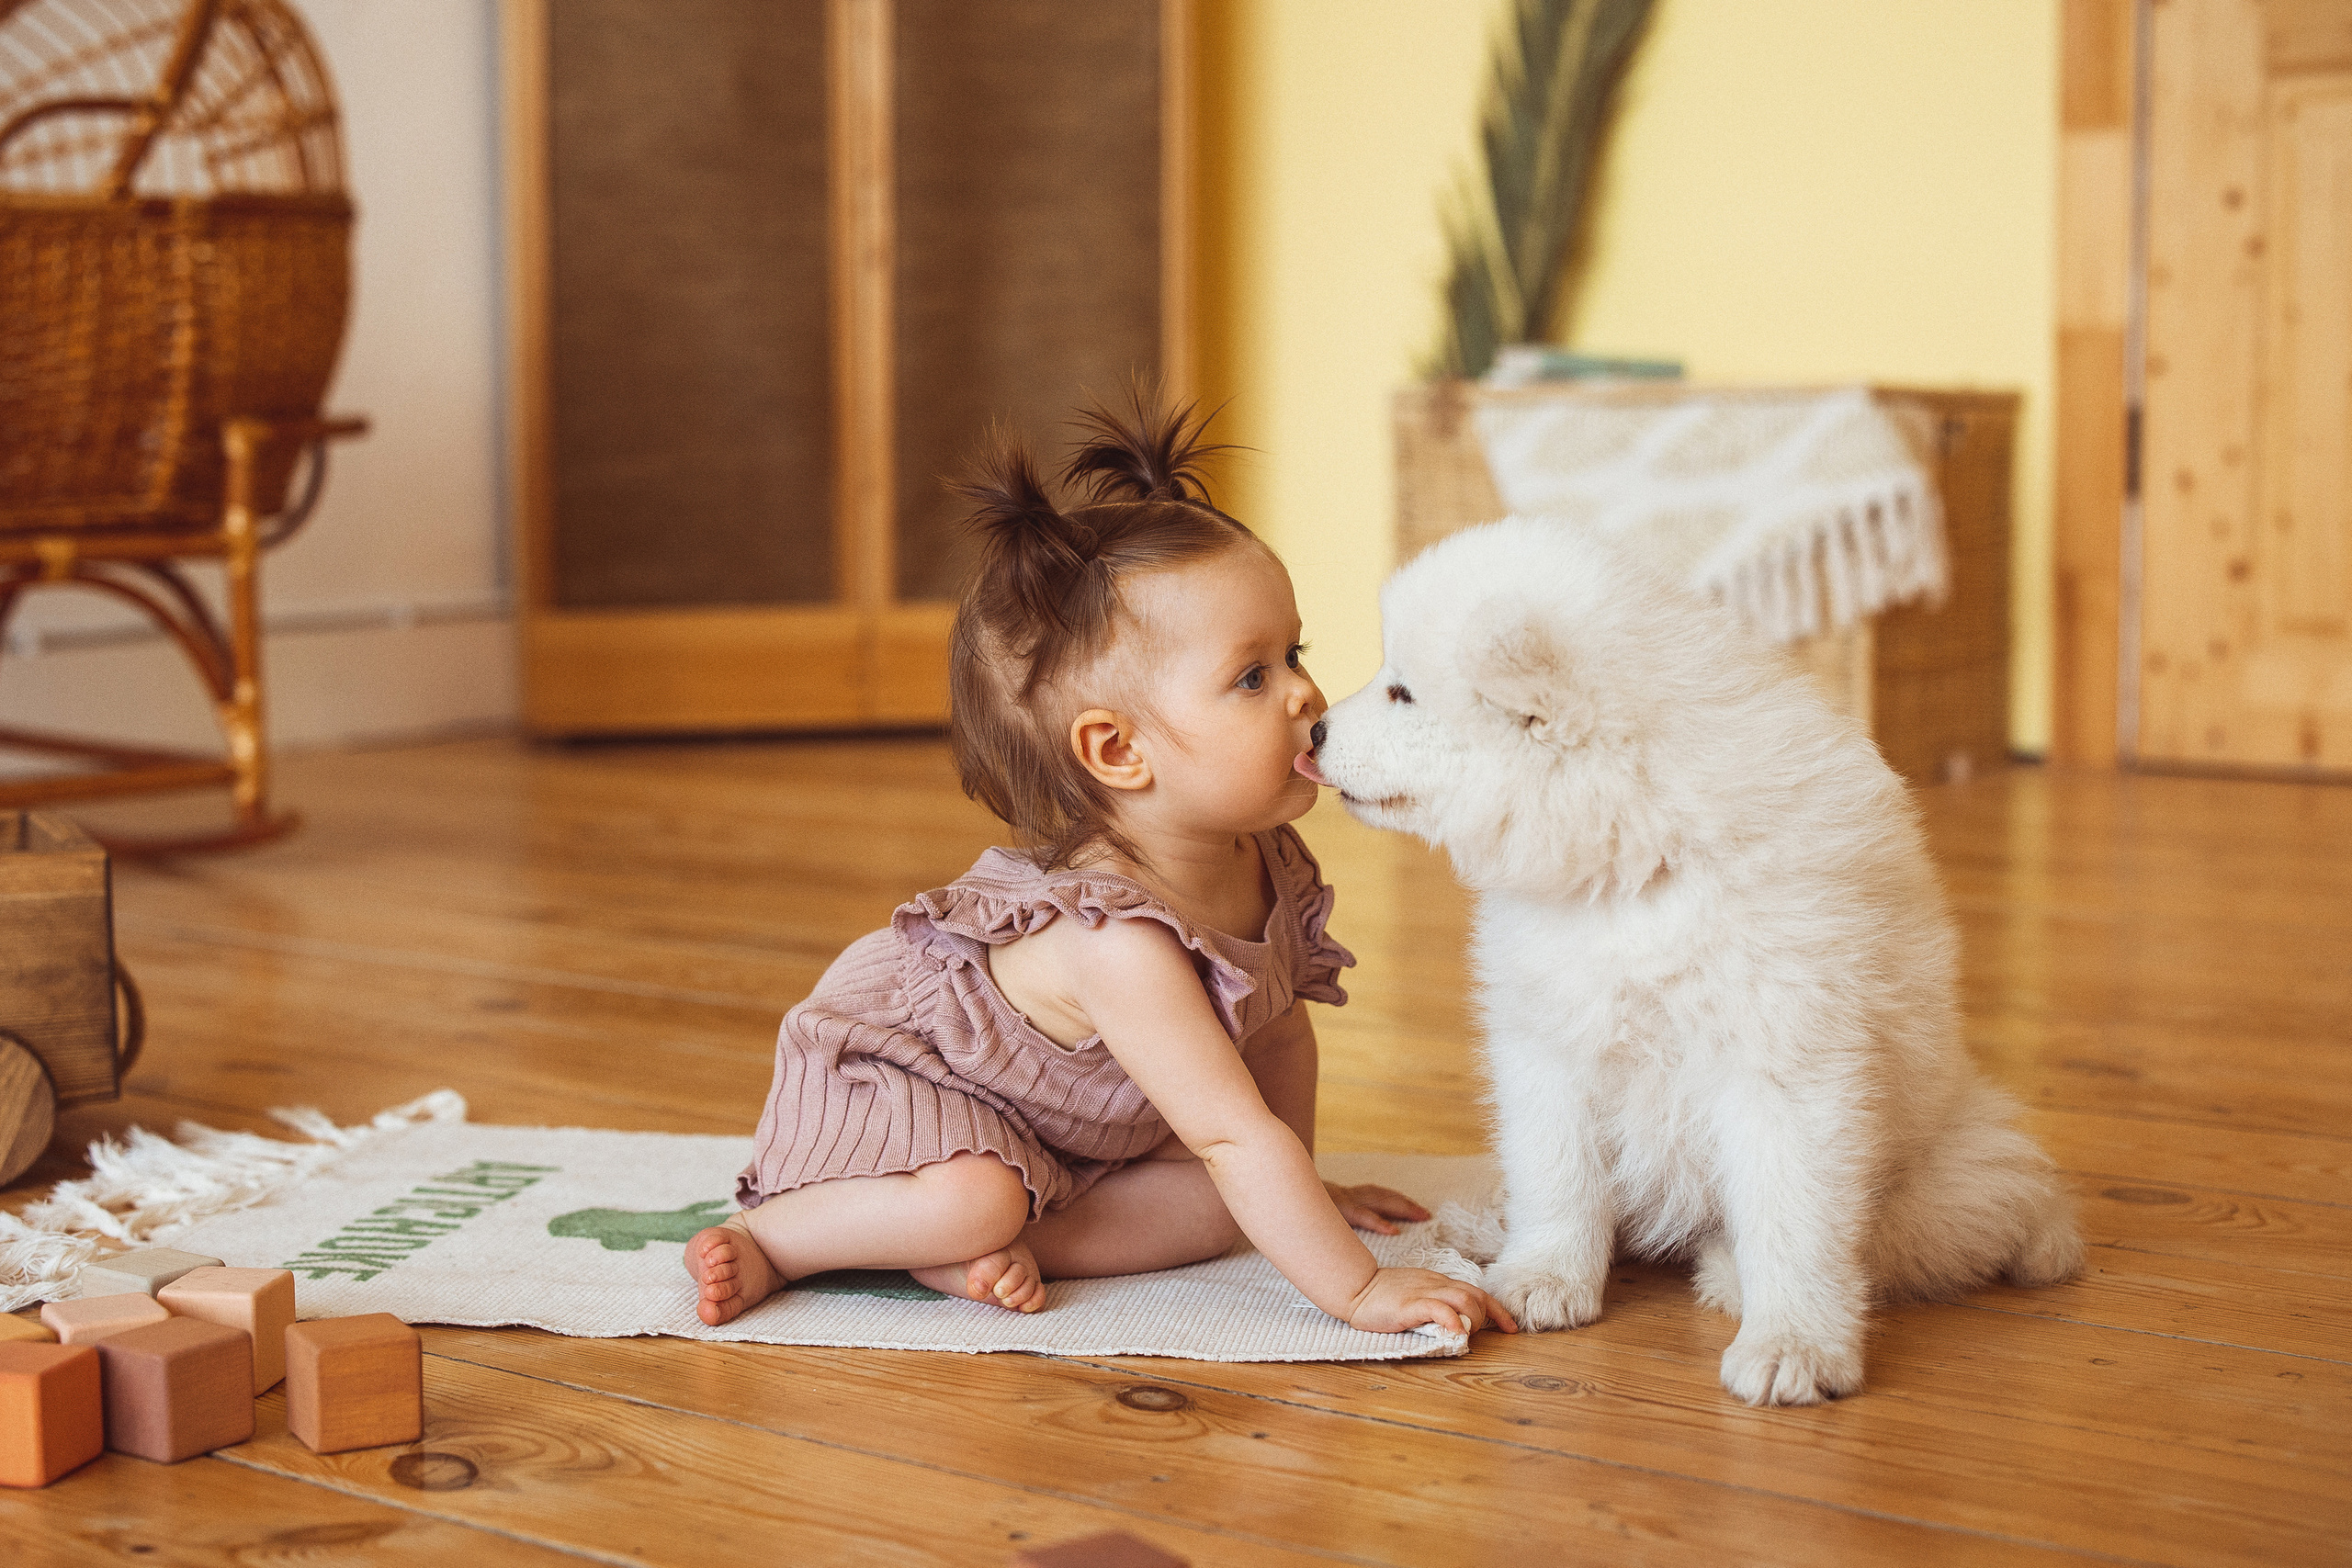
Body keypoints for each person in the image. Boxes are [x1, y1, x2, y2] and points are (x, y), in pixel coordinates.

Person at [686, 392, 1516, 1341]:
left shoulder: (1264, 861)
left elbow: (1278, 1039)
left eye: (1294, 653)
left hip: (1058, 1139)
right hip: (916, 1091)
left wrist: (1303, 1188)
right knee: (978, 1198)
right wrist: (1357, 1288)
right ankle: (779, 1241)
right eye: (1252, 676)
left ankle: (994, 1245)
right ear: (1118, 751)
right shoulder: (1115, 939)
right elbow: (1229, 1129)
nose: (1304, 692)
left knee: (1220, 1204)